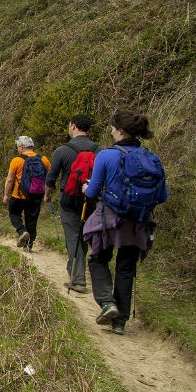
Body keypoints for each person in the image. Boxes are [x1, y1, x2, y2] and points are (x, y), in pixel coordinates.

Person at [82, 111, 168, 336]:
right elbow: (162, 196)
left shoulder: (106, 155)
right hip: (138, 222)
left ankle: (107, 302)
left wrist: (85, 188)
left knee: (98, 259)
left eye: (112, 127)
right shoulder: (152, 158)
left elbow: (92, 192)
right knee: (126, 269)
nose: (110, 130)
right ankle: (120, 322)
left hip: (109, 219)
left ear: (120, 130)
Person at [44, 115, 100, 293]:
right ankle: (99, 278)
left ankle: (78, 280)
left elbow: (51, 178)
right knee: (87, 235)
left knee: (73, 236)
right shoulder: (99, 150)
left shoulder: (62, 150)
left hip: (69, 199)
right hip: (90, 199)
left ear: (73, 126)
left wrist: (47, 195)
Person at [2, 136, 51, 251]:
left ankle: (22, 231)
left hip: (19, 195)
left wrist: (6, 195)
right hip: (36, 195)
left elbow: (9, 180)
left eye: (18, 147)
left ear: (22, 147)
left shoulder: (16, 160)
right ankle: (29, 245)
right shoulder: (43, 159)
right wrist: (47, 193)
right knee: (32, 219)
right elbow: (50, 177)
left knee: (14, 214)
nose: (18, 149)